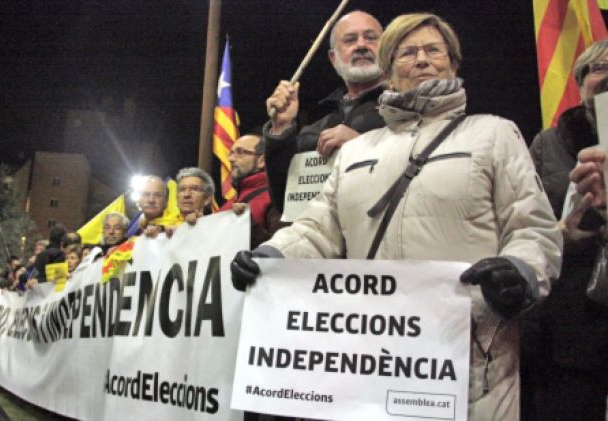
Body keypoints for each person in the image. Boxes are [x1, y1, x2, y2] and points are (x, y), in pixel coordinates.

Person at [231, 13, 562, 420]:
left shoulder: (493, 133)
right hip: (372, 367)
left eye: (432, 50)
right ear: (388, 72)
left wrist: (521, 270)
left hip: (471, 367)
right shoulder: (355, 152)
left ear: (453, 63)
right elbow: (317, 228)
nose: (421, 59)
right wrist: (272, 257)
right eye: (407, 52)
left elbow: (533, 228)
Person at [523, 41, 608, 421]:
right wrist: (562, 232)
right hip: (571, 318)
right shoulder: (548, 143)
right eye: (601, 67)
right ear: (580, 81)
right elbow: (527, 225)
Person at [264, 10, 387, 213]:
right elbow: (285, 202)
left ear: (388, 49)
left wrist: (361, 149)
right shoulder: (315, 129)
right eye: (350, 40)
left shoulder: (409, 111)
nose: (362, 45)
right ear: (333, 58)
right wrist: (281, 129)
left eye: (371, 38)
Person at [220, 134, 282, 247]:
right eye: (231, 153)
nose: (231, 159)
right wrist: (198, 225)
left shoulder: (276, 197)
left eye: (240, 152)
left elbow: (283, 250)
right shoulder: (229, 203)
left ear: (261, 160)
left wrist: (248, 225)